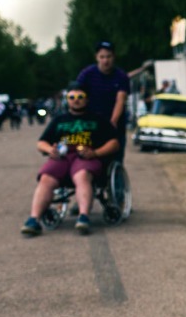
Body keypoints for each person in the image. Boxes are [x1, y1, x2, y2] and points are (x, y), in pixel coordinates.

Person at [21, 82, 119, 237]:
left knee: (82, 176)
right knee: (46, 178)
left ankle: (83, 216)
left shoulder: (98, 119)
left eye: (80, 97)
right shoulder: (59, 120)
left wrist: (96, 153)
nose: (76, 100)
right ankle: (34, 219)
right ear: (67, 99)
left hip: (87, 155)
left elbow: (114, 143)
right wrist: (50, 150)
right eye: (72, 97)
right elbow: (41, 143)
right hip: (62, 156)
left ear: (87, 100)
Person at [76, 40, 130, 158]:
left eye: (108, 57)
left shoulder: (121, 76)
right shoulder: (86, 74)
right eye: (102, 57)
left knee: (115, 158)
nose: (105, 60)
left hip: (114, 124)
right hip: (91, 123)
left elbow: (120, 100)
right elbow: (78, 95)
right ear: (96, 57)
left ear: (114, 57)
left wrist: (113, 122)